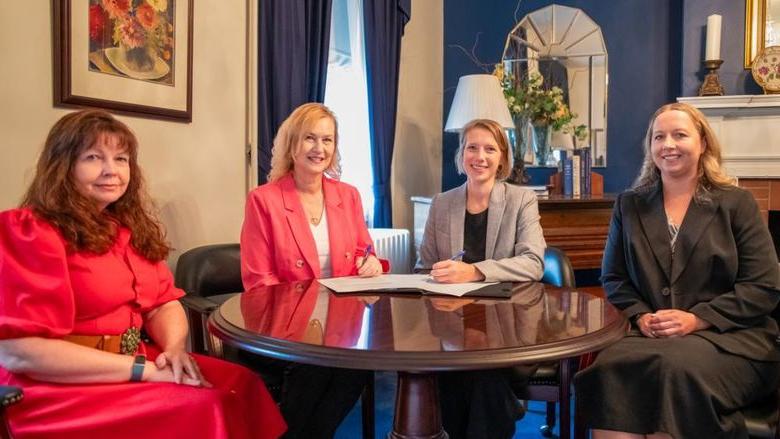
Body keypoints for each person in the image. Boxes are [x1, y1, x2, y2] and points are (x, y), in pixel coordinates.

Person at [0, 109, 287, 439]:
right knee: (204, 404)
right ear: (63, 167)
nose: (112, 171)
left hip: (134, 360)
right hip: (58, 384)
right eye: (94, 157)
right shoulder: (30, 230)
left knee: (243, 382)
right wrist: (145, 371)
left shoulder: (126, 230)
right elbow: (19, 352)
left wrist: (175, 350)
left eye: (121, 159)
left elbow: (163, 303)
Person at [574, 102, 780, 439]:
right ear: (650, 147)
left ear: (703, 143)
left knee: (673, 373)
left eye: (679, 135)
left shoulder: (736, 203)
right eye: (659, 137)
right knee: (609, 369)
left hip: (729, 338)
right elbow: (614, 278)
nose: (668, 145)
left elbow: (764, 286)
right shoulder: (630, 205)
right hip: (653, 334)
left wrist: (698, 319)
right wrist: (640, 316)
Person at [240, 102, 387, 438]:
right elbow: (259, 281)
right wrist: (302, 324)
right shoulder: (264, 200)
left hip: (340, 326)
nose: (319, 149)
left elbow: (365, 249)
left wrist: (372, 262)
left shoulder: (348, 196)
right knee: (318, 368)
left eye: (327, 140)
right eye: (310, 138)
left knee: (359, 365)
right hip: (284, 329)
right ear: (293, 144)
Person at [417, 118, 546, 439]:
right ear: (461, 155)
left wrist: (474, 271)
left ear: (502, 157)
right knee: (447, 374)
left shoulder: (521, 200)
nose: (480, 156)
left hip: (508, 329)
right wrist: (436, 274)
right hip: (452, 326)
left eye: (490, 149)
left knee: (482, 377)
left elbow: (533, 263)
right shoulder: (442, 203)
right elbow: (423, 268)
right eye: (472, 147)